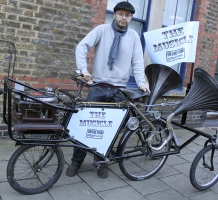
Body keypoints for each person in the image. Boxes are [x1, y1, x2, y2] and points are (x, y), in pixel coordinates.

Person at [66, 1, 149, 179]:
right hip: (98, 88)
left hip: (119, 91)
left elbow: (137, 62)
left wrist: (141, 82)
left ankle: (101, 162)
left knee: (109, 130)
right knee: (84, 126)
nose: (123, 18)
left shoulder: (134, 36)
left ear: (131, 17)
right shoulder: (101, 30)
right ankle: (76, 162)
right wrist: (83, 71)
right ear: (115, 15)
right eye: (120, 14)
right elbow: (81, 47)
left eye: (127, 15)